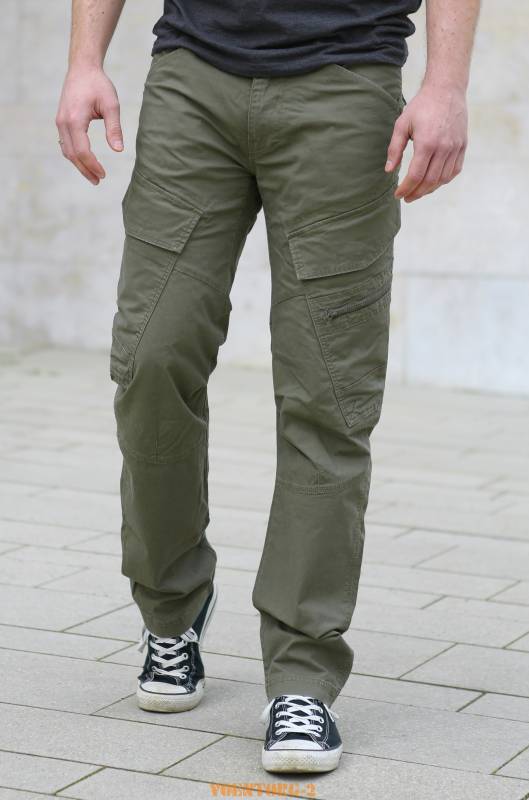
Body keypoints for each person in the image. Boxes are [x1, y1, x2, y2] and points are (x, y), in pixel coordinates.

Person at [57, 0, 480, 774]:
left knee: (328, 393)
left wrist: (445, 84)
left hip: (345, 82)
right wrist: (85, 60)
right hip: (192, 75)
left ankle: (302, 674)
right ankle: (170, 608)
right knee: (151, 357)